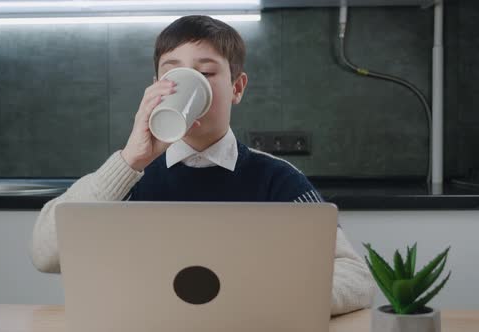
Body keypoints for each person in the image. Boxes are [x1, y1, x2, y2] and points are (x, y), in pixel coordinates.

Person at [31, 15, 375, 315]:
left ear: (237, 88)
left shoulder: (277, 180)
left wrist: (269, 302)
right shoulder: (126, 178)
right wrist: (129, 160)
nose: (187, 83)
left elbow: (355, 278)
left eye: (206, 72)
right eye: (173, 75)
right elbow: (45, 254)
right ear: (155, 89)